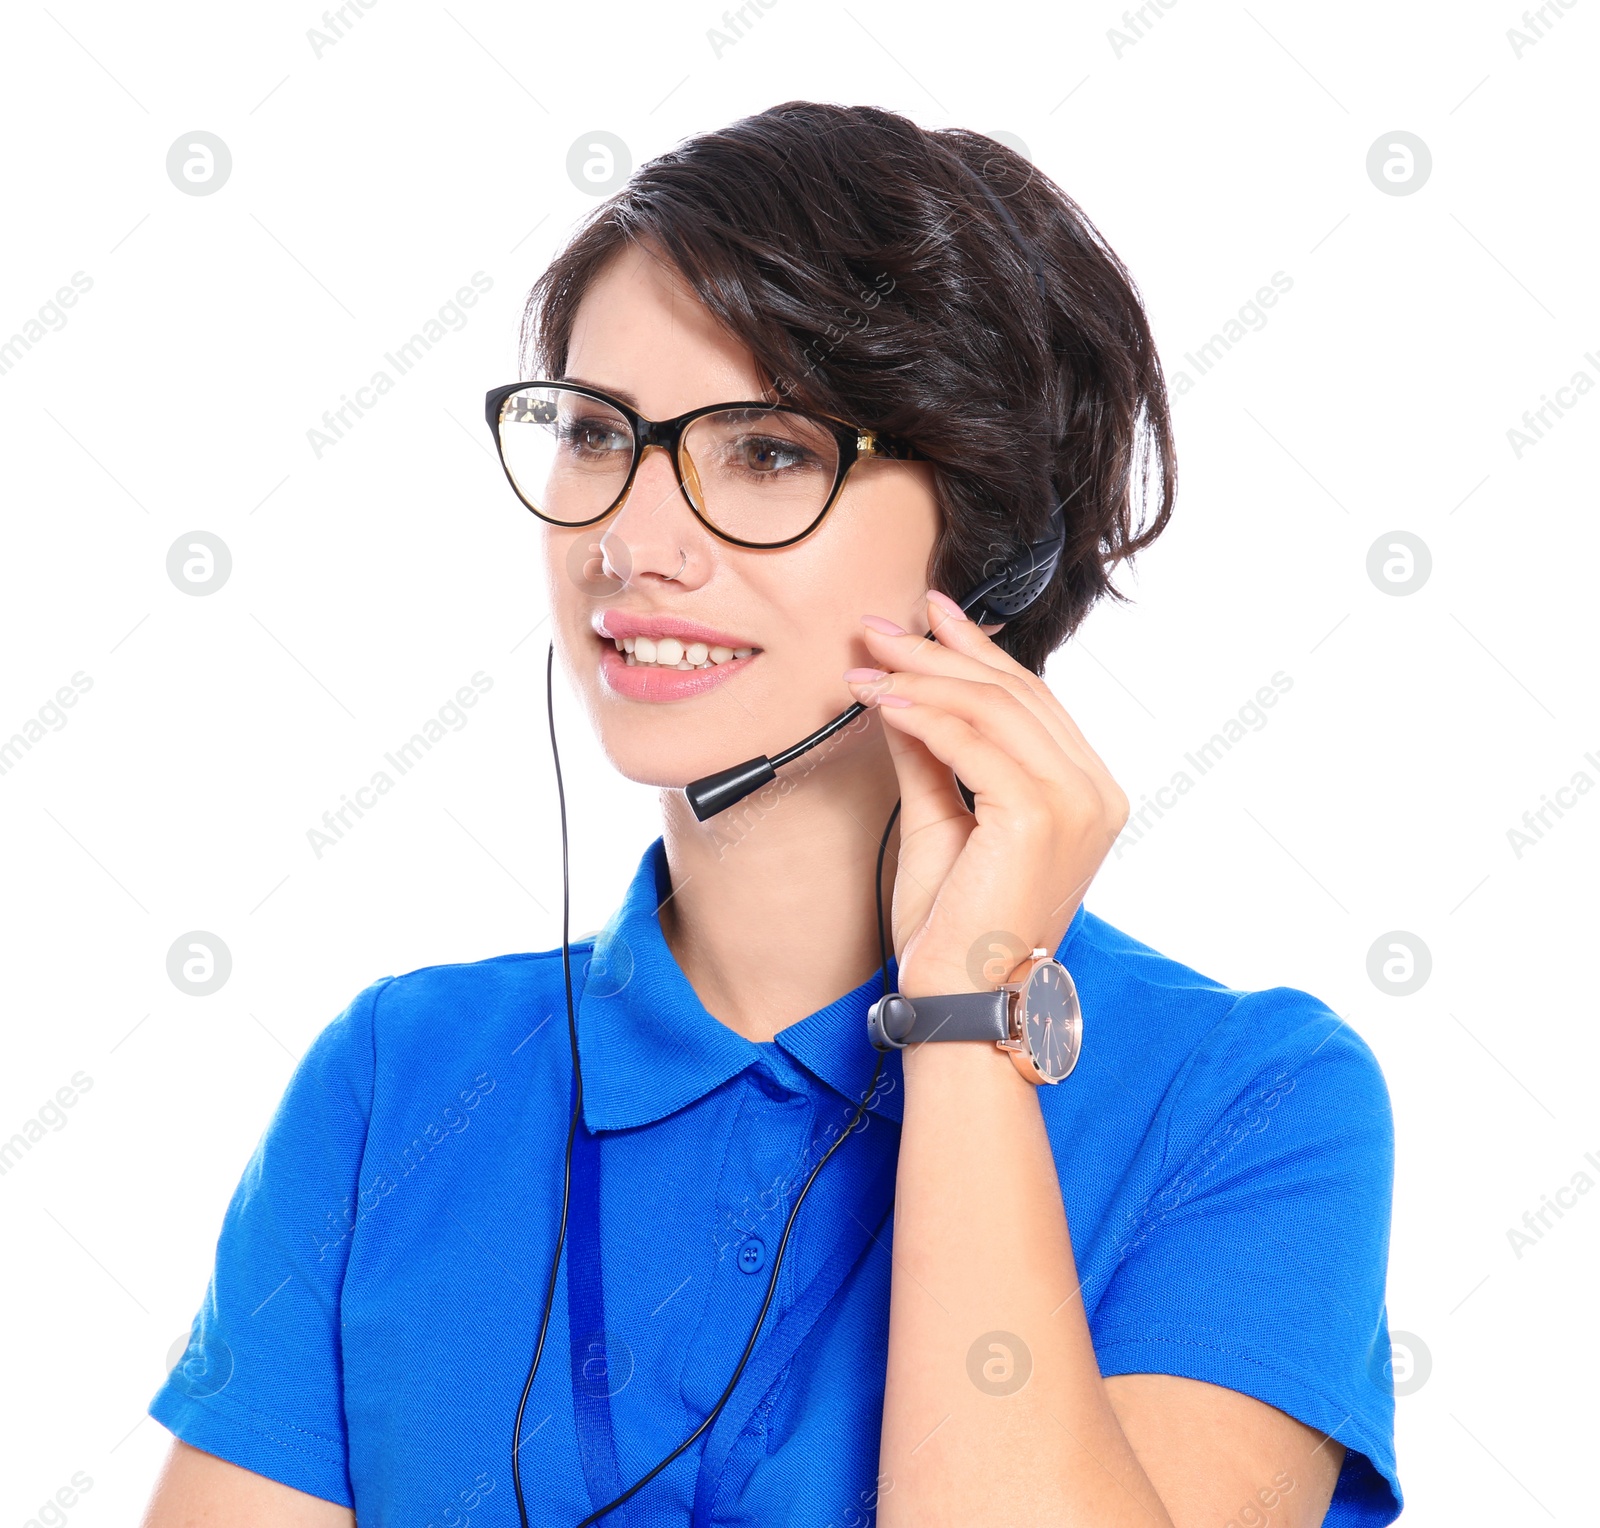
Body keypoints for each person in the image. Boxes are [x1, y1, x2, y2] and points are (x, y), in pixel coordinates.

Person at [141, 101, 1400, 1528]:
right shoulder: (400, 1083)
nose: (632, 540)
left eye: (768, 452)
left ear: (986, 547)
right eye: (600, 434)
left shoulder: (1246, 1101)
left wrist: (971, 1024)